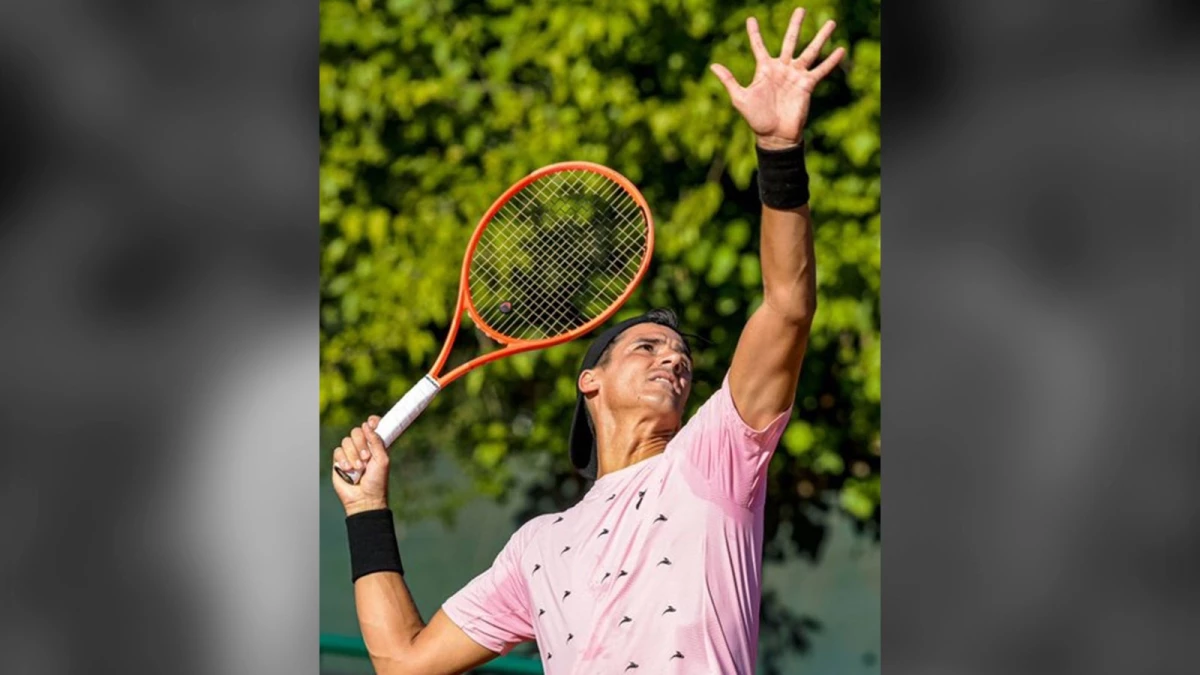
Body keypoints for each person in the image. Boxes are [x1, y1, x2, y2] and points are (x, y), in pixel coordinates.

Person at [330, 8, 843, 674]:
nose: (675, 359)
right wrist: (367, 506)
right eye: (647, 347)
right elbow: (401, 662)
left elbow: (787, 305)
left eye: (681, 356)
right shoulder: (536, 547)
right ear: (589, 380)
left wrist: (777, 151)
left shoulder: (712, 459)